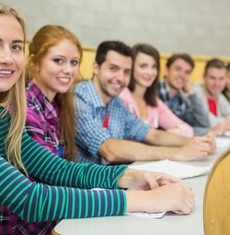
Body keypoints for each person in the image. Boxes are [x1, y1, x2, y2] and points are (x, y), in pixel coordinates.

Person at [0, 3, 195, 235]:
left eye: (15, 46)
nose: (7, 57)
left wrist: (127, 177)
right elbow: (27, 198)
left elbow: (56, 169)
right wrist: (144, 202)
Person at [0, 25, 80, 235]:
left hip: (50, 222)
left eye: (74, 62)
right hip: (25, 229)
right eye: (58, 60)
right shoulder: (25, 107)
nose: (68, 69)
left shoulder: (56, 105)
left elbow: (61, 172)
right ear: (35, 62)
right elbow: (46, 181)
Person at [74, 41, 215, 165]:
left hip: (108, 182)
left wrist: (195, 143)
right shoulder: (78, 98)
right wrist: (177, 153)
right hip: (80, 190)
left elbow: (151, 134)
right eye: (113, 68)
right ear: (96, 67)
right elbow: (109, 149)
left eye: (126, 72)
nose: (120, 78)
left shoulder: (115, 103)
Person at [119, 43, 194, 138]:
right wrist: (159, 138)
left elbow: (188, 130)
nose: (150, 72)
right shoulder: (120, 98)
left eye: (153, 67)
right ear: (131, 67)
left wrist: (170, 134)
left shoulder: (154, 103)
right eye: (143, 66)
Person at [158, 53, 212, 136]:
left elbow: (204, 124)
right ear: (166, 71)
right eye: (178, 69)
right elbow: (164, 131)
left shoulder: (182, 99)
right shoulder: (153, 93)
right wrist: (205, 132)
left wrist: (192, 93)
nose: (182, 75)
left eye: (187, 72)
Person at [193, 58, 230, 134]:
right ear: (204, 77)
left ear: (225, 79)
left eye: (221, 79)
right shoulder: (194, 94)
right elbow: (207, 124)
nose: (217, 83)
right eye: (212, 78)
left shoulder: (219, 97)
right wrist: (227, 121)